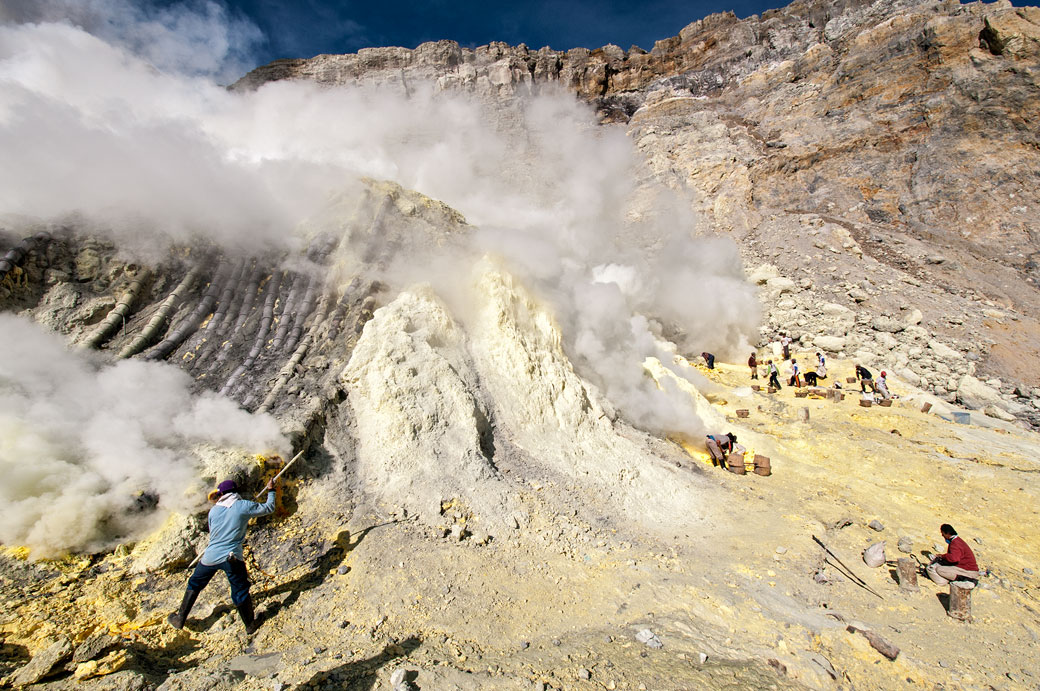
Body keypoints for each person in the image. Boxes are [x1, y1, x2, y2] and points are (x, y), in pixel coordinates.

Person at [168, 477, 277, 634]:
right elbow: (269, 508)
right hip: (231, 557)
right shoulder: (242, 505)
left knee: (194, 584)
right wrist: (271, 490)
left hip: (209, 556)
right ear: (235, 492)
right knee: (239, 590)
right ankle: (250, 625)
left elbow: (214, 533)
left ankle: (180, 619)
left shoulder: (214, 511)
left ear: (222, 494)